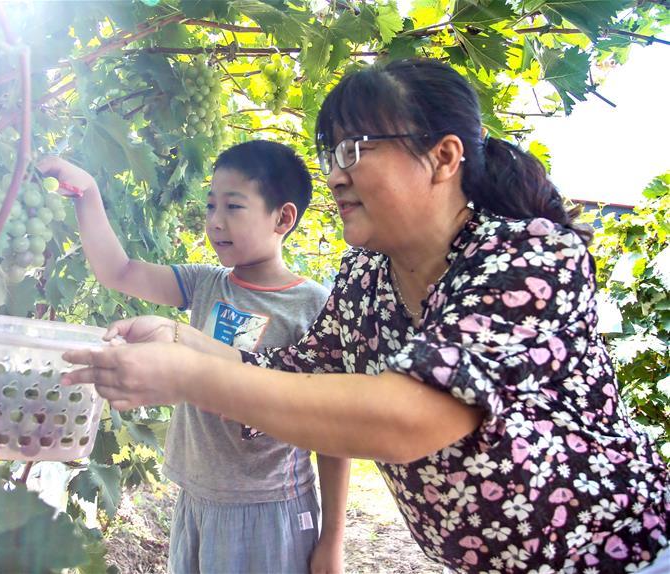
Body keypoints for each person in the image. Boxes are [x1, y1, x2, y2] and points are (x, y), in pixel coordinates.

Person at [60, 58, 670, 573]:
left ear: (443, 156)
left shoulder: (529, 255)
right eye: (331, 152)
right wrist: (176, 338)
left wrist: (184, 375)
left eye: (355, 149)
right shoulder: (366, 277)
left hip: (620, 555)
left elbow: (411, 418)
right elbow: (291, 371)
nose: (335, 174)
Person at [38, 141, 350, 574]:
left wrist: (332, 538)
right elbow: (119, 271)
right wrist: (87, 194)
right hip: (195, 499)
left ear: (283, 218)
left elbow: (332, 433)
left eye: (234, 206)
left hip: (269, 508)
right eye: (210, 206)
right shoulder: (205, 284)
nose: (215, 221)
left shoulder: (312, 305)